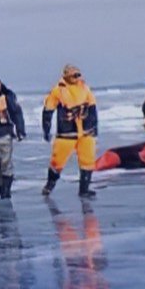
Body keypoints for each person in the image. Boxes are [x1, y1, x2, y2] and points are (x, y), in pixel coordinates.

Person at [41, 65, 99, 198]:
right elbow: (48, 110)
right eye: (74, 75)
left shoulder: (85, 88)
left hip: (86, 131)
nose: (77, 78)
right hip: (67, 133)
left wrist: (94, 127)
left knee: (88, 161)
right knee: (57, 161)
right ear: (66, 76)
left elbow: (92, 108)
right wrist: (46, 129)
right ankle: (50, 184)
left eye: (78, 75)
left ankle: (84, 189)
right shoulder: (58, 91)